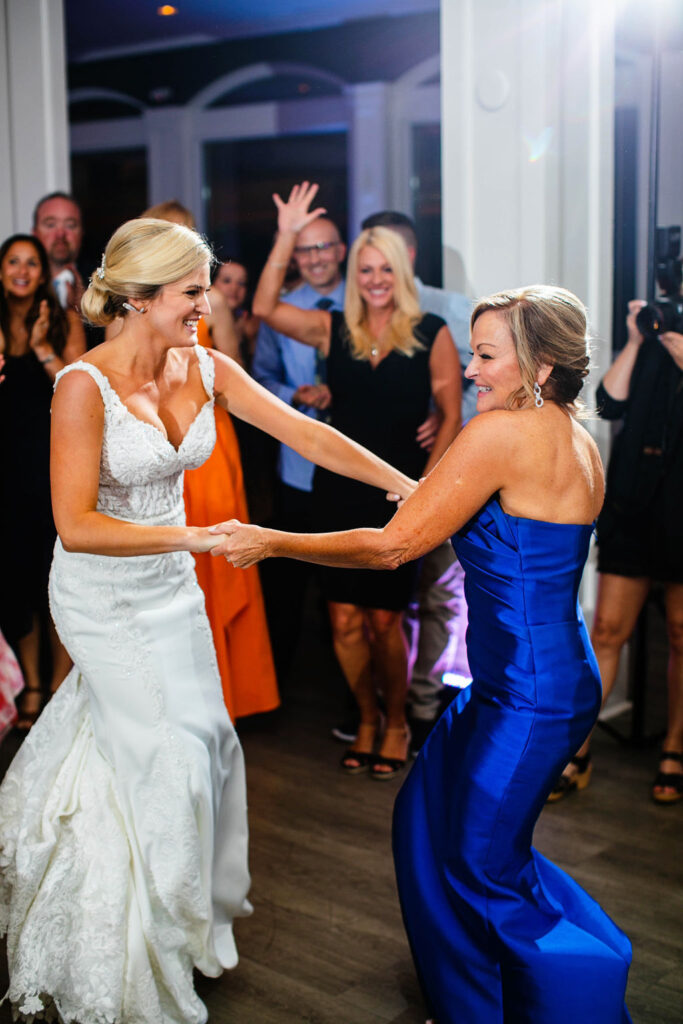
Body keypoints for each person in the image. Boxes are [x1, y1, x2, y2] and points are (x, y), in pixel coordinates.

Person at [0, 216, 415, 1023]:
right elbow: (76, 524)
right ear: (142, 296)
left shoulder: (205, 365)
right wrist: (197, 534)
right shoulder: (81, 387)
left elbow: (303, 430)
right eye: (193, 292)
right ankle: (123, 955)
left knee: (209, 749)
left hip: (171, 591)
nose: (207, 303)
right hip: (99, 595)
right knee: (165, 755)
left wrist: (405, 484)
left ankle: (183, 927)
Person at [212, 284, 633, 1023]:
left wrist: (270, 540)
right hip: (532, 681)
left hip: (528, 696)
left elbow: (393, 546)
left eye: (486, 355)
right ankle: (470, 992)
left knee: (480, 866)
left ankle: (557, 1003)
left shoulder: (501, 434)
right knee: (426, 809)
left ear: (538, 364)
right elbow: (473, 517)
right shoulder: (571, 434)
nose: (470, 369)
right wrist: (421, 492)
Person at [252, 183, 462, 777]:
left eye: (385, 269)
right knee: (342, 617)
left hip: (398, 494)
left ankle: (396, 722)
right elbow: (264, 308)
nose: (375, 279)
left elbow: (448, 413)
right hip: (337, 491)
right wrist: (287, 234)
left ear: (401, 271)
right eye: (366, 269)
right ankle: (365, 718)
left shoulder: (432, 331)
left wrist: (425, 488)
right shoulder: (332, 327)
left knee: (385, 621)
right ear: (355, 272)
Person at [140, 202, 278, 721]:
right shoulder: (132, 305)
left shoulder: (211, 301)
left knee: (219, 556)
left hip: (210, 440)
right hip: (153, 439)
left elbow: (232, 374)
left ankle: (229, 696)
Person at [549, 299, 683, 805]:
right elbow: (608, 401)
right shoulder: (654, 339)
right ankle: (577, 750)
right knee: (606, 630)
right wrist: (637, 338)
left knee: (680, 633)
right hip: (634, 504)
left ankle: (674, 747)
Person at [362, 210, 473, 753]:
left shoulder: (450, 311)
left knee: (436, 593)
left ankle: (425, 702)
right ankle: (388, 701)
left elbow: (488, 384)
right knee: (386, 599)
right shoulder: (358, 315)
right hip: (382, 475)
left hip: (446, 474)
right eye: (369, 264)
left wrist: (446, 413)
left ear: (409, 257)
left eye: (391, 258)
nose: (380, 274)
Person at [252, 211, 347, 681]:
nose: (315, 258)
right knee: (288, 588)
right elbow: (260, 378)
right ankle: (278, 687)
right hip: (298, 466)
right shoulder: (282, 308)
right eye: (305, 249)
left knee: (349, 593)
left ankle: (355, 701)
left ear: (341, 251)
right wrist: (295, 395)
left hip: (353, 467)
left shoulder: (370, 303)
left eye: (324, 247)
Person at [0, 234, 86, 726]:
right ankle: (31, 682)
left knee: (54, 578)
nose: (22, 270)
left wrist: (40, 349)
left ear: (41, 272)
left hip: (50, 464)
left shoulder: (61, 319)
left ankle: (60, 683)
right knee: (15, 582)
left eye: (31, 263)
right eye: (13, 261)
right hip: (5, 468)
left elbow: (79, 388)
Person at [32, 192, 86, 310]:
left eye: (70, 225)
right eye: (51, 225)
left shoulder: (103, 285)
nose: (61, 234)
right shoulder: (19, 283)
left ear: (81, 233)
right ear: (35, 233)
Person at [213, 259, 261, 368]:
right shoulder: (197, 321)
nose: (234, 288)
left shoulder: (251, 323)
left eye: (241, 283)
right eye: (226, 281)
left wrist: (251, 340)